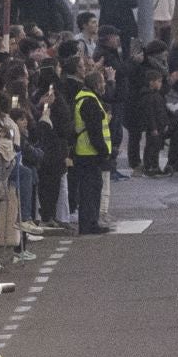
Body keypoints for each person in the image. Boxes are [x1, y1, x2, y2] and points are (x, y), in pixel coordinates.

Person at [73, 73, 114, 235]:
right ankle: (89, 224)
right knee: (91, 189)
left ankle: (90, 222)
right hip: (90, 153)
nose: (104, 85)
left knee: (90, 188)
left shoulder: (84, 99)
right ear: (97, 84)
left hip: (85, 152)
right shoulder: (90, 102)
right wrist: (103, 150)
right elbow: (94, 131)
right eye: (103, 82)